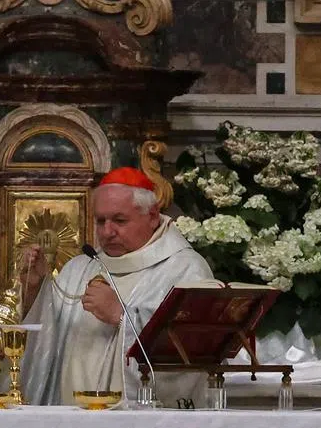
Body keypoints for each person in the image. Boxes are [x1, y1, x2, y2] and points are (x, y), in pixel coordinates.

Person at [19, 167, 213, 406]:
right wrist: (35, 290)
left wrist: (122, 316)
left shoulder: (185, 269)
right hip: (69, 422)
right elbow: (46, 347)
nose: (106, 232)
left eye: (119, 220)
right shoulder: (79, 268)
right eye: (100, 221)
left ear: (152, 215)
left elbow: (194, 354)